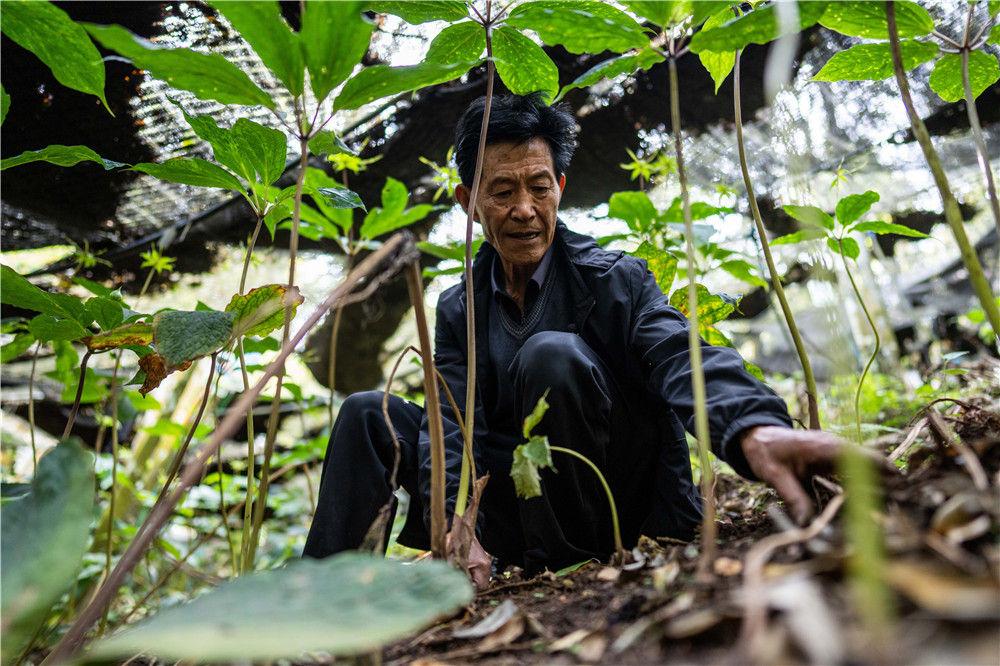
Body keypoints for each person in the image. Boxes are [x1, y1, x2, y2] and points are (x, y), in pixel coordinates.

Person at [303, 93, 842, 587]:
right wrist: (457, 522)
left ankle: (569, 563)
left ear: (560, 187)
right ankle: (321, 601)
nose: (524, 209)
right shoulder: (458, 306)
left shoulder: (613, 278)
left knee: (550, 354)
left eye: (539, 186)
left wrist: (753, 427)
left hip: (608, 503)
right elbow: (450, 426)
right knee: (367, 414)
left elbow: (678, 352)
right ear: (469, 200)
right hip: (510, 506)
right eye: (502, 191)